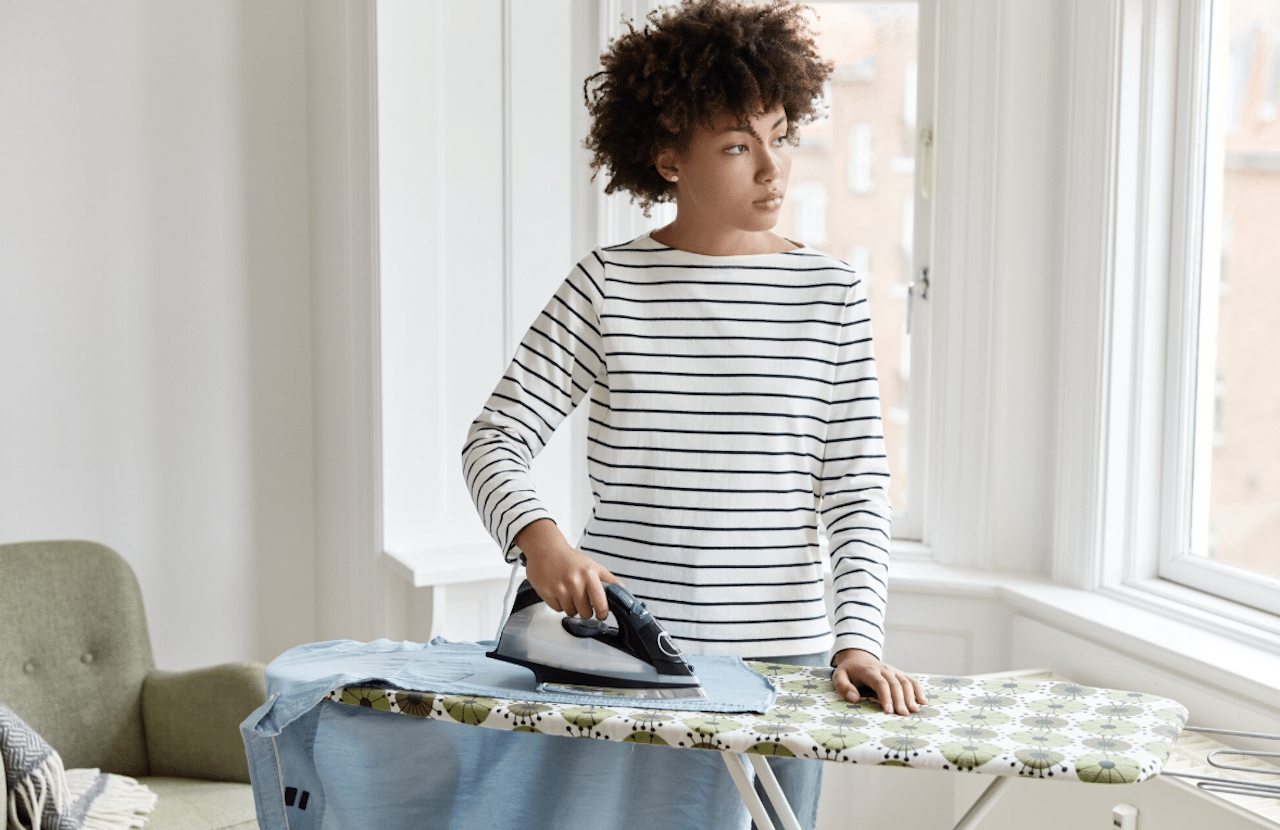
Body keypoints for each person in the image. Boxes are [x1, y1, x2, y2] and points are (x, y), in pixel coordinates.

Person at [462, 1, 926, 827]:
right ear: (669, 157)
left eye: (781, 135)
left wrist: (857, 640)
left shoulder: (831, 296)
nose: (773, 168)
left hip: (785, 664)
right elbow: (495, 440)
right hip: (626, 656)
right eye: (738, 146)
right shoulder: (606, 285)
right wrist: (541, 539)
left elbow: (857, 493)